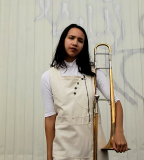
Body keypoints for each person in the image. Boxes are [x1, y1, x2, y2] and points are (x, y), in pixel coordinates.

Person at [41, 24, 128, 160]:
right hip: (62, 151)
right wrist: (49, 156)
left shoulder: (95, 72)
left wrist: (118, 132)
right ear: (63, 40)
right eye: (71, 38)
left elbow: (115, 102)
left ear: (83, 46)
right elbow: (50, 119)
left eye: (80, 41)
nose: (75, 43)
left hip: (93, 148)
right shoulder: (48, 76)